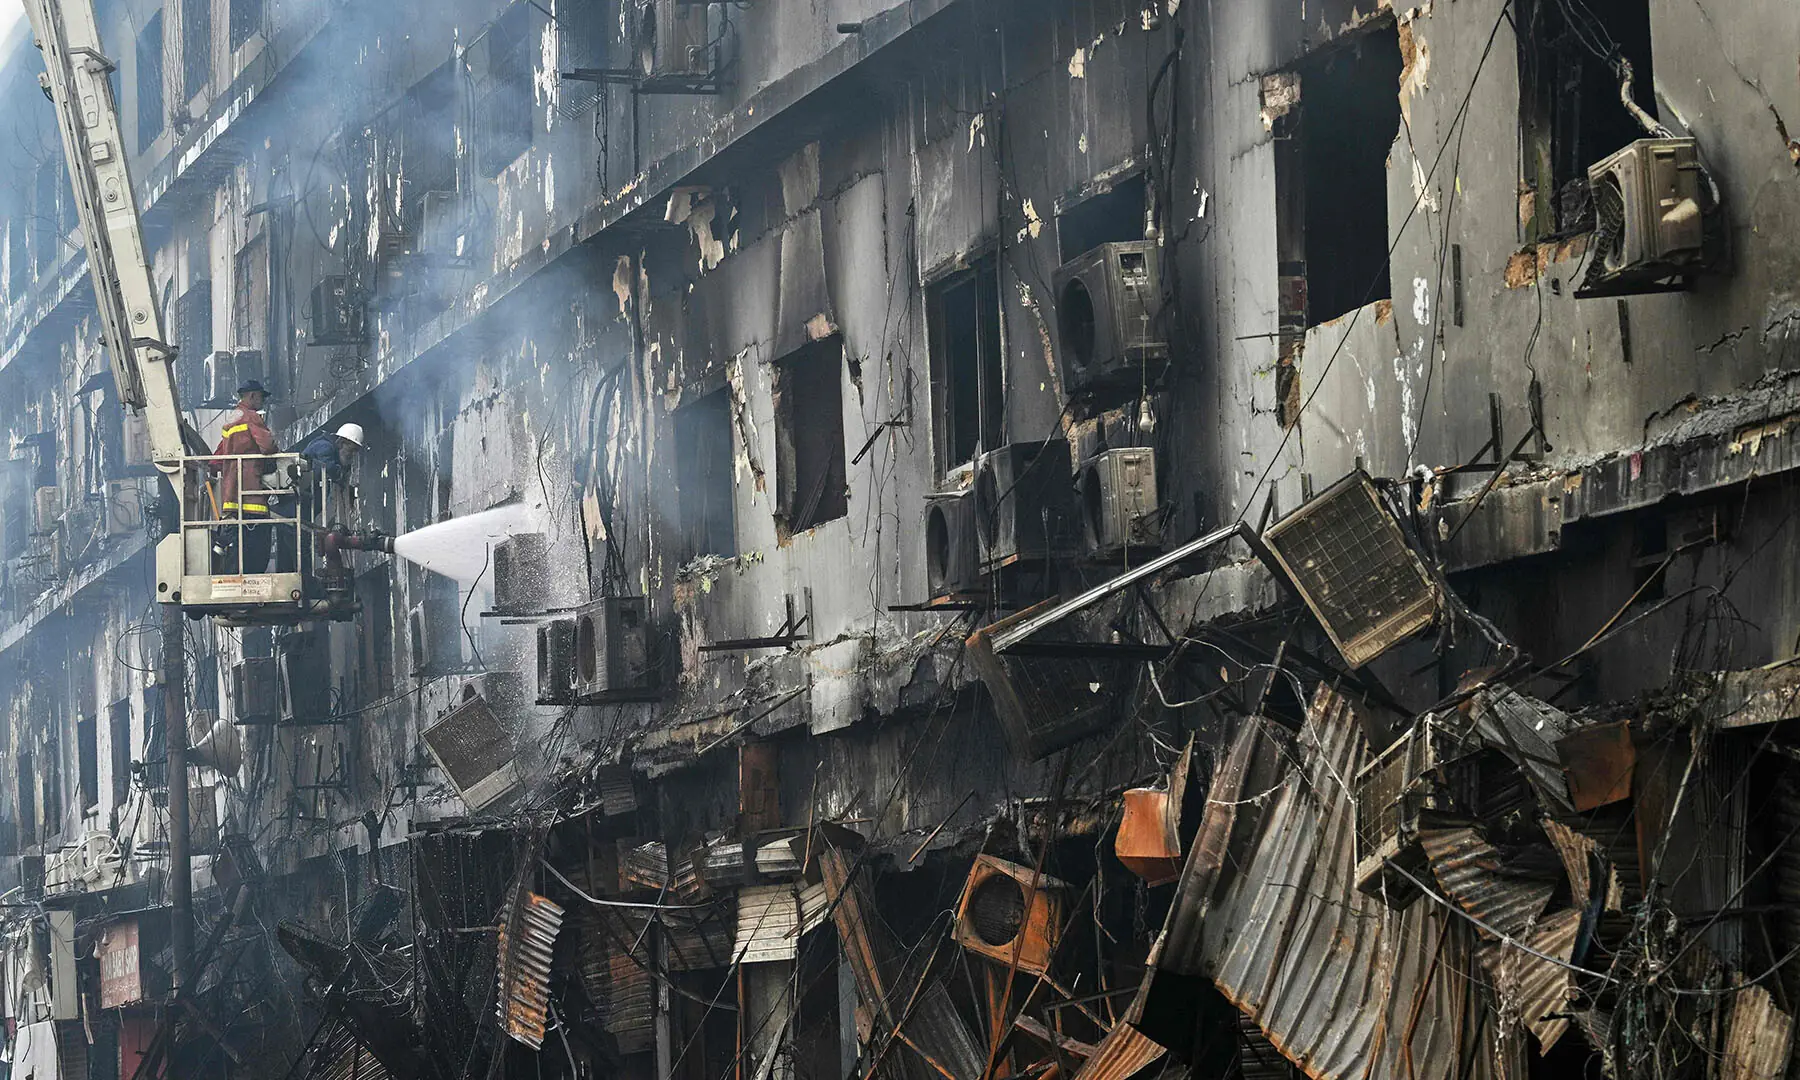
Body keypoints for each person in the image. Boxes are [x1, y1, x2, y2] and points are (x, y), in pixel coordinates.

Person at [211, 380, 278, 573]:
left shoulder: (231, 419)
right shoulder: (251, 417)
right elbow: (267, 446)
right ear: (252, 396)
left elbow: (219, 455)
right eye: (261, 397)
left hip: (231, 491)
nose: (262, 401)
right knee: (257, 537)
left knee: (236, 538)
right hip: (251, 489)